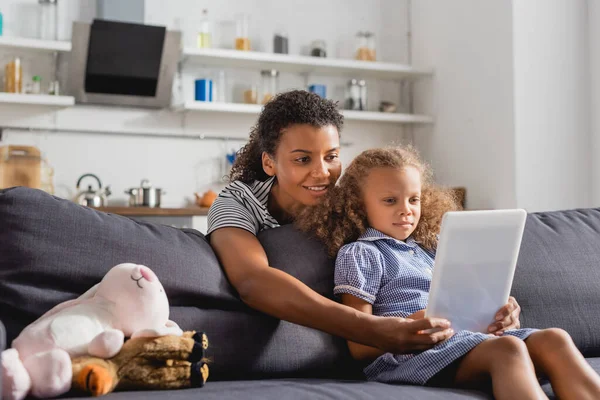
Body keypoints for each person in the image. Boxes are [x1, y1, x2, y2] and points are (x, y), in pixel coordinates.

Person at [207, 90, 519, 356]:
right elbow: (252, 281)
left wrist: (489, 307)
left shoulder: (349, 203)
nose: (323, 173)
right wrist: (374, 329)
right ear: (269, 162)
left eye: (331, 157)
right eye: (303, 159)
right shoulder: (238, 202)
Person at [296, 145, 600, 399]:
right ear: (358, 207)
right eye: (390, 201)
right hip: (409, 357)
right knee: (507, 349)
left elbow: (473, 301)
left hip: (467, 340)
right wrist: (417, 321)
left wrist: (500, 311)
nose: (406, 210)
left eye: (413, 199)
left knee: (555, 339)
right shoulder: (361, 253)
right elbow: (361, 346)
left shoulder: (434, 249)